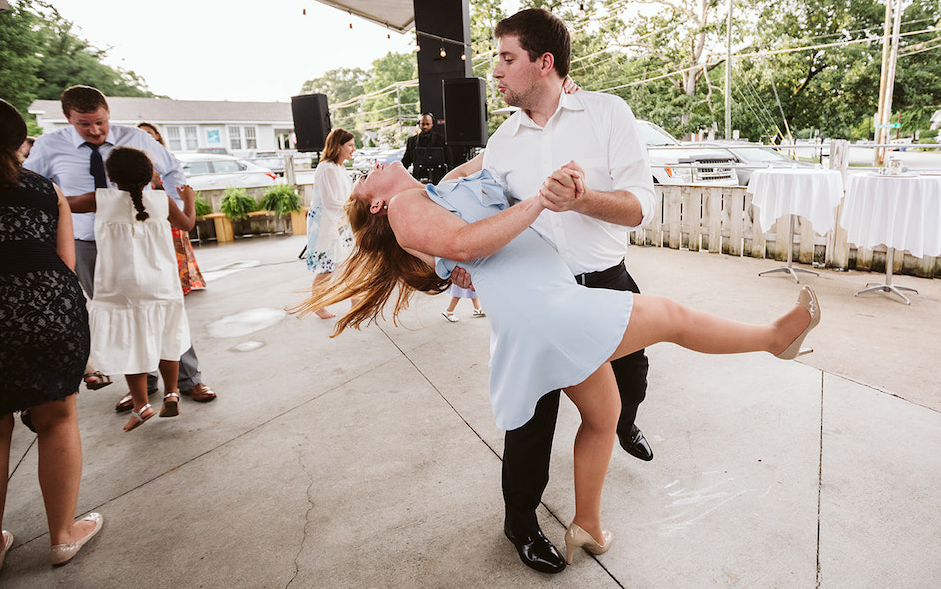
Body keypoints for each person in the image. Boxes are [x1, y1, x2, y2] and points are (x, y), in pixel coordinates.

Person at [298, 160, 820, 567]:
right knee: (672, 316)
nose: (374, 166)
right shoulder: (405, 207)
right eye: (367, 178)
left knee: (604, 413)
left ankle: (588, 526)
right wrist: (543, 201)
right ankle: (774, 339)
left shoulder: (435, 191)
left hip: (543, 305)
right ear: (377, 207)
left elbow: (487, 164)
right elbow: (461, 242)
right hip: (545, 311)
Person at [442, 8, 656, 573]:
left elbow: (638, 208)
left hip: (607, 281)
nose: (496, 71)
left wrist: (581, 200)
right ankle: (520, 522)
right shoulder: (504, 141)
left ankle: (622, 420)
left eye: (506, 58)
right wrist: (462, 266)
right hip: (538, 300)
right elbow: (465, 207)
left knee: (632, 375)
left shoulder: (608, 113)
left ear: (545, 63)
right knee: (531, 420)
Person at [0, 95, 103, 579]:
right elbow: (65, 265)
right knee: (56, 418)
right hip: (44, 315)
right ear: (17, 141)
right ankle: (62, 536)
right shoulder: (43, 190)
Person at [24, 86, 219, 409]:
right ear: (67, 118)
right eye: (84, 124)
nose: (96, 130)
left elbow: (172, 170)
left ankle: (189, 380)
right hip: (88, 244)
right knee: (127, 315)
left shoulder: (137, 139)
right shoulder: (48, 146)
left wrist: (161, 207)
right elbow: (34, 189)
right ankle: (147, 386)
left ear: (108, 112)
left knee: (163, 312)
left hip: (146, 242)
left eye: (100, 121)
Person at [84, 147, 196, 431]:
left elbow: (60, 202)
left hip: (120, 286)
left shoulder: (101, 199)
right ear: (150, 176)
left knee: (129, 342)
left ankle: (141, 404)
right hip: (161, 282)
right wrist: (189, 200)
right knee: (166, 336)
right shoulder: (161, 200)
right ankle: (171, 392)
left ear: (111, 175)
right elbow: (188, 224)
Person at [139, 122, 206, 294]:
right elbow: (188, 223)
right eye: (141, 133)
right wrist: (189, 200)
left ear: (157, 135)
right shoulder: (137, 160)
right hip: (155, 207)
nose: (145, 136)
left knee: (176, 245)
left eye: (148, 133)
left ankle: (182, 282)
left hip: (169, 207)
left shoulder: (165, 158)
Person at [305, 129, 356, 320]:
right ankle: (317, 305)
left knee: (349, 262)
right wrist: (354, 207)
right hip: (326, 223)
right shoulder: (327, 168)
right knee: (327, 267)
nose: (353, 149)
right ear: (338, 146)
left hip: (339, 221)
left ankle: (355, 301)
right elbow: (330, 202)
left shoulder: (339, 168)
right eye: (350, 145)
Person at [401, 113, 448, 183]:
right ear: (419, 124)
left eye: (427, 124)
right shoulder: (412, 141)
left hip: (437, 179)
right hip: (417, 178)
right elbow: (406, 161)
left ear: (432, 124)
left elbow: (448, 161)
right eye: (423, 124)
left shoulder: (441, 139)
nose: (425, 127)